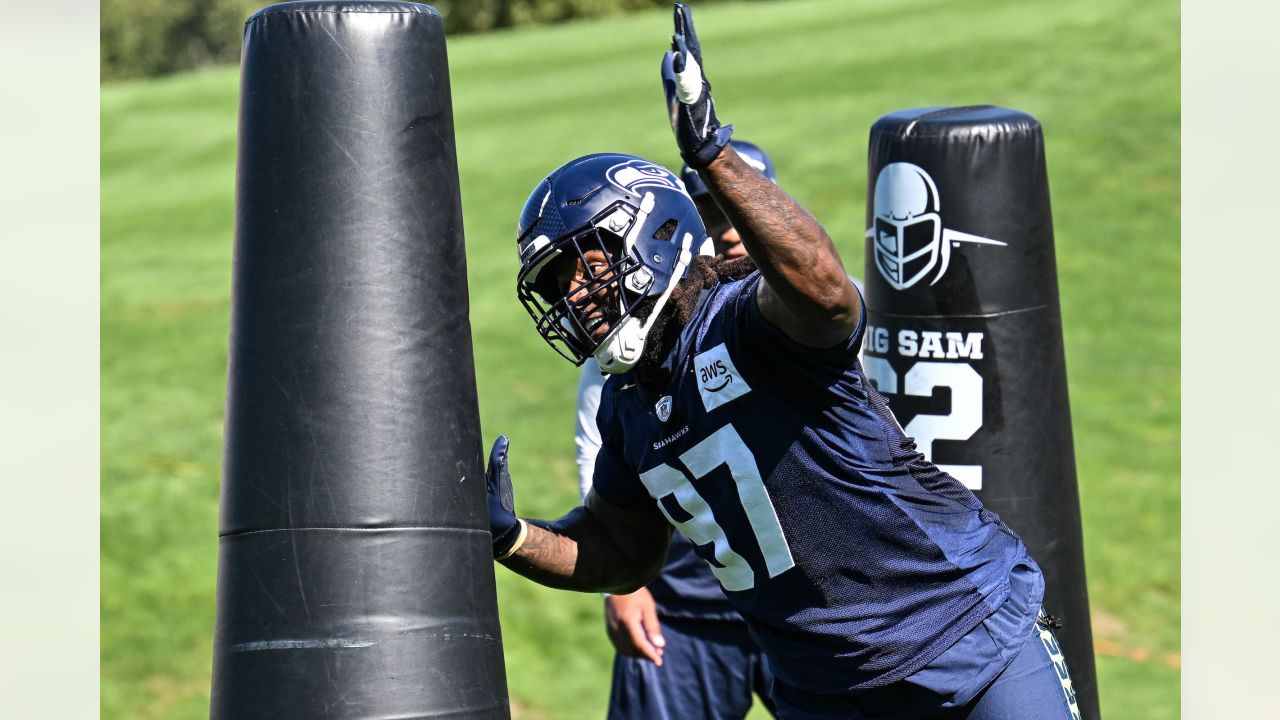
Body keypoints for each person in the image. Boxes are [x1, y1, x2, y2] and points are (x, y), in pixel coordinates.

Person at [488, 4, 1082, 719]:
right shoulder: (627, 402)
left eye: (584, 268)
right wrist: (513, 538)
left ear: (649, 237)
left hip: (965, 640)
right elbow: (622, 551)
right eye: (557, 287)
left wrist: (712, 154)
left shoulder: (745, 322)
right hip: (826, 695)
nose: (575, 298)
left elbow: (827, 295)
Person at [575, 142, 781, 720]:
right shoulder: (633, 335)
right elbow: (599, 448)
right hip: (683, 605)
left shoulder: (803, 315)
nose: (732, 231)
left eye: (740, 211)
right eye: (713, 214)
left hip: (803, 604)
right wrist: (626, 585)